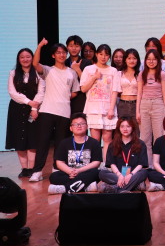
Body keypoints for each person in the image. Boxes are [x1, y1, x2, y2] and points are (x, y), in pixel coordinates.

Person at [30, 39, 80, 183]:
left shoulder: (72, 72)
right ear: (53, 55)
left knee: (60, 143)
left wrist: (64, 97)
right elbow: (35, 63)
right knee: (43, 142)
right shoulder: (48, 70)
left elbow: (75, 91)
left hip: (64, 112)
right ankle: (37, 171)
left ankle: (56, 168)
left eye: (64, 52)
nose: (62, 55)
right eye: (58, 53)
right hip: (47, 110)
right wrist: (40, 46)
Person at [6, 48, 45, 178]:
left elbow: (41, 91)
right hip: (17, 109)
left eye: (28, 56)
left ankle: (32, 168)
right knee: (19, 140)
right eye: (22, 57)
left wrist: (34, 109)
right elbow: (12, 92)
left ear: (32, 58)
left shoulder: (38, 73)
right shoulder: (13, 73)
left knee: (32, 139)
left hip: (34, 109)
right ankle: (24, 169)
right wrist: (29, 102)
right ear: (18, 59)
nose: (25, 59)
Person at [80, 44, 120, 162]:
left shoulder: (113, 71)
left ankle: (106, 164)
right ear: (96, 54)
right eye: (101, 54)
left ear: (109, 56)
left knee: (107, 139)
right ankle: (95, 164)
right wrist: (94, 77)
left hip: (108, 109)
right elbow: (83, 89)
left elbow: (115, 91)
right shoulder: (88, 69)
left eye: (106, 55)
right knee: (95, 140)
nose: (103, 57)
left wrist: (111, 109)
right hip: (93, 109)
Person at [47, 113, 102, 194]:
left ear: (87, 126)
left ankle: (65, 188)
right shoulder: (64, 143)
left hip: (86, 172)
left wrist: (79, 171)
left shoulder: (94, 143)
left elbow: (96, 162)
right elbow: (59, 162)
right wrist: (70, 171)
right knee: (54, 176)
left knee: (96, 173)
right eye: (75, 124)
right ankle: (85, 187)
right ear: (71, 128)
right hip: (70, 174)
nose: (79, 126)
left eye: (82, 124)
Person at [98, 116, 148, 193]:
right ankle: (133, 186)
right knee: (102, 173)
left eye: (128, 126)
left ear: (132, 128)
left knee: (143, 173)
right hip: (118, 175)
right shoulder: (113, 144)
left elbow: (141, 164)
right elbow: (112, 163)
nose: (125, 129)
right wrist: (120, 176)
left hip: (133, 174)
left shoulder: (140, 144)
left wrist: (130, 175)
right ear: (118, 128)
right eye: (122, 126)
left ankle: (115, 188)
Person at [136, 49, 165, 162]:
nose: (151, 61)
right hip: (144, 104)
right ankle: (148, 164)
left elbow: (164, 93)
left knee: (159, 137)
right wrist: (137, 111)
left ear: (158, 60)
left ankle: (158, 164)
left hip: (158, 104)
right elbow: (139, 93)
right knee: (145, 138)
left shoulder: (162, 74)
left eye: (154, 59)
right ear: (145, 61)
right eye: (149, 59)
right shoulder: (142, 74)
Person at [65, 35, 92, 113]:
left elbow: (88, 82)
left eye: (77, 46)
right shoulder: (64, 62)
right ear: (67, 47)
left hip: (81, 100)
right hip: (66, 100)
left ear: (81, 48)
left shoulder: (86, 62)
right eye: (71, 46)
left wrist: (77, 70)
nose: (74, 48)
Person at [117, 48, 141, 119]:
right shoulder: (119, 74)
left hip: (136, 104)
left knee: (136, 125)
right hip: (122, 104)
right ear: (125, 59)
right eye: (129, 58)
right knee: (123, 125)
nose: (132, 61)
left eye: (134, 58)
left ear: (137, 60)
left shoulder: (140, 74)